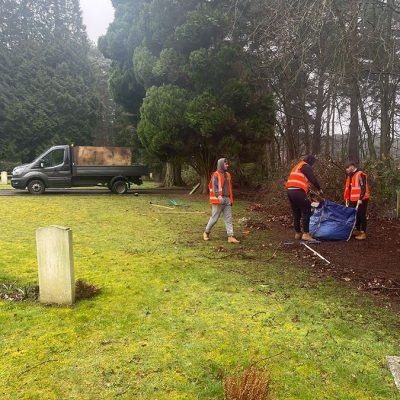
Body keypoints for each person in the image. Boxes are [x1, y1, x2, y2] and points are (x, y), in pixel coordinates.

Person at [285, 155, 322, 241]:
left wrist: (308, 192)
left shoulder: (297, 166)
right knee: (307, 210)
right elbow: (312, 179)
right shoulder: (305, 166)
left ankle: (298, 233)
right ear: (310, 161)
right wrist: (319, 189)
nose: (312, 165)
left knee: (296, 212)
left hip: (290, 191)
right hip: (298, 191)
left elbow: (301, 181)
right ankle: (306, 234)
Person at [203, 158, 240, 243]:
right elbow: (214, 187)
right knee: (214, 218)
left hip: (227, 199)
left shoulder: (228, 175)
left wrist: (230, 199)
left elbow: (229, 188)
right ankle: (206, 232)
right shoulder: (215, 175)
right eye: (225, 164)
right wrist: (218, 196)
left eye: (227, 164)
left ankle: (230, 236)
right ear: (221, 165)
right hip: (218, 200)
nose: (227, 165)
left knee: (228, 218)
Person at [344, 161, 370, 240]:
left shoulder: (360, 174)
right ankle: (358, 230)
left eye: (348, 168)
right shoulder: (351, 175)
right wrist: (347, 198)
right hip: (354, 199)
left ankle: (363, 233)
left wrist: (360, 198)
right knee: (357, 215)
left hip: (362, 199)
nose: (347, 170)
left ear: (352, 166)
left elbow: (363, 187)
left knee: (362, 215)